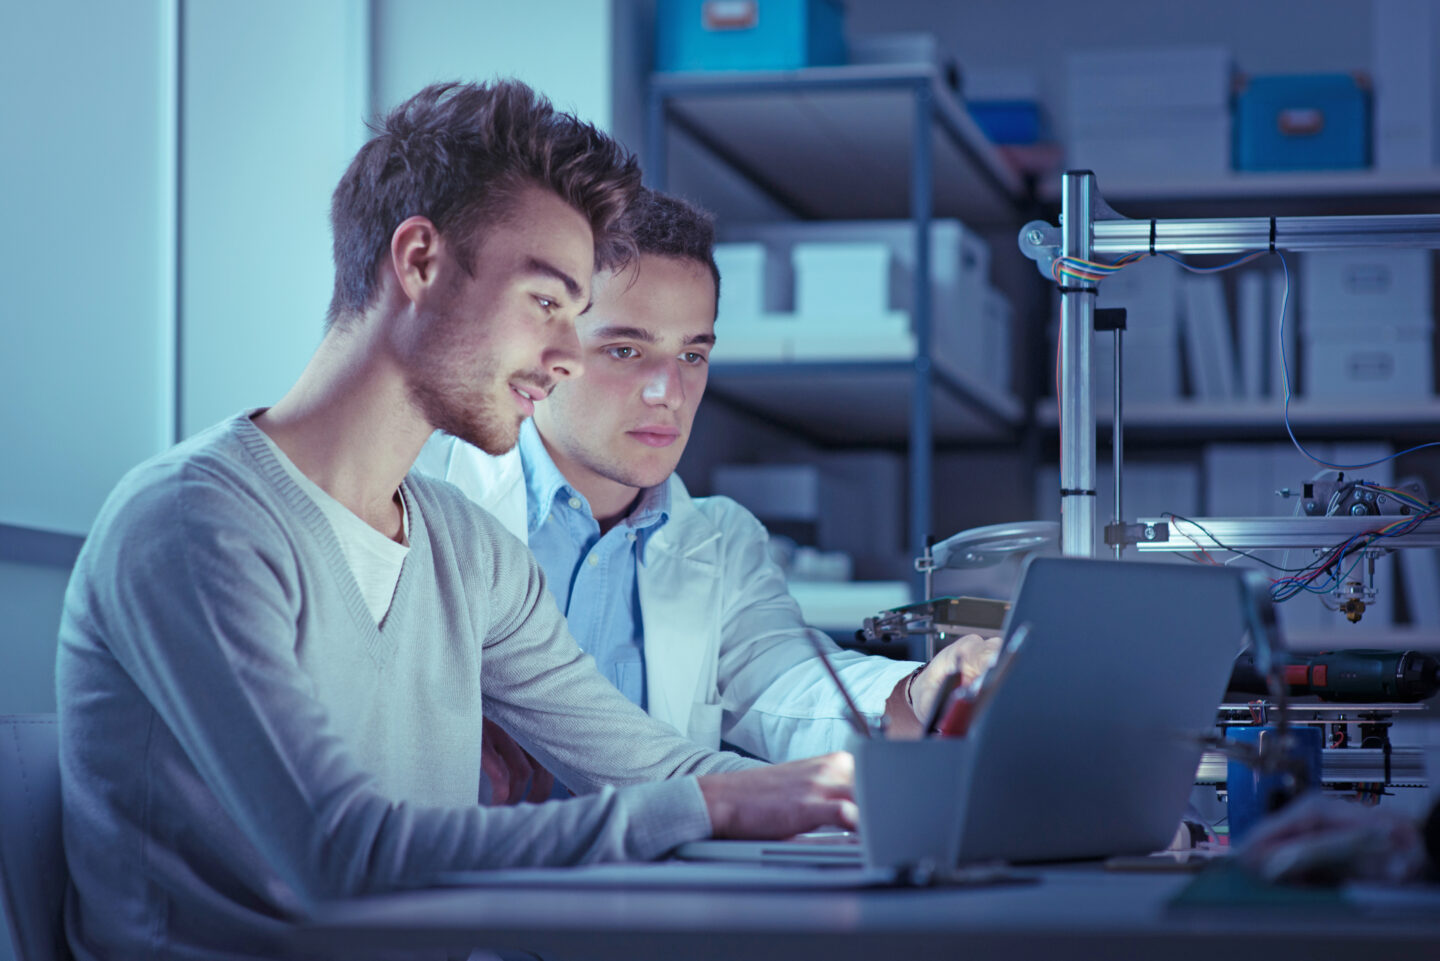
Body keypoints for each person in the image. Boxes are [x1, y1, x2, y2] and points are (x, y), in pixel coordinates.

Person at [56, 81, 858, 961]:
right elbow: (339, 856)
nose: (564, 357)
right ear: (419, 261)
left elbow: (663, 769)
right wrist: (711, 806)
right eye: (548, 304)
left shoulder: (469, 551)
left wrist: (878, 797)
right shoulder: (193, 523)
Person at [417, 187, 996, 772]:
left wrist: (927, 690)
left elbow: (791, 685)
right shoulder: (429, 502)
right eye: (624, 350)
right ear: (550, 347)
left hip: (656, 862)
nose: (668, 393)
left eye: (692, 355)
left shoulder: (720, 541)